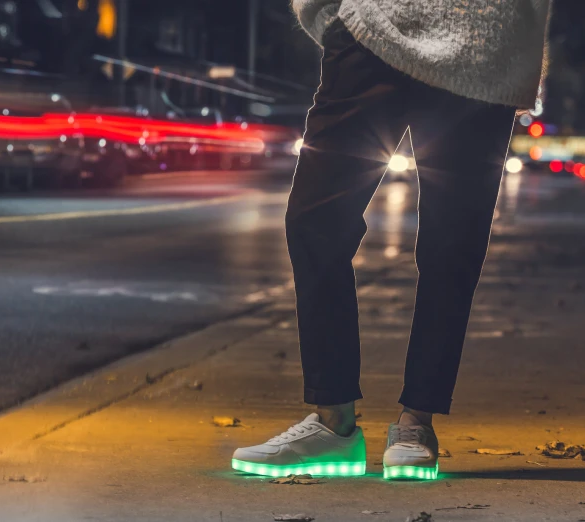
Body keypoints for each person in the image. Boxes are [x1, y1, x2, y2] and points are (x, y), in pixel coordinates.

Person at [232, 0, 551, 480]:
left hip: (486, 38)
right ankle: (333, 420)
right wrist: (332, 13)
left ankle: (416, 422)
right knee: (314, 220)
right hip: (372, 28)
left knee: (452, 244)